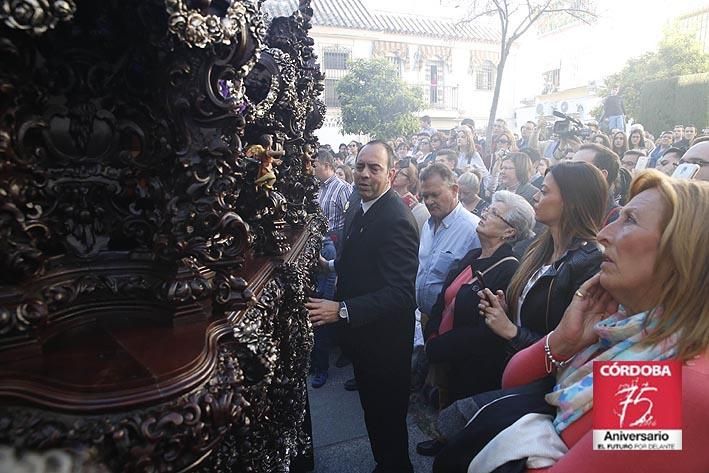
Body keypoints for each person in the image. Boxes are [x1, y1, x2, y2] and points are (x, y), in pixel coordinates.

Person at [472, 171, 709, 473]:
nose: (604, 234)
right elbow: (513, 382)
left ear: (684, 253)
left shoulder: (679, 384)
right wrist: (563, 340)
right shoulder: (624, 330)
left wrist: (528, 439)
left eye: (631, 221)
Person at [307, 140, 419, 473]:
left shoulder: (397, 219)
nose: (365, 174)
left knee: (387, 420)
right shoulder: (357, 202)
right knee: (373, 413)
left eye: (375, 168)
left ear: (392, 173)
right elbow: (356, 260)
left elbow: (401, 293)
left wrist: (341, 310)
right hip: (364, 340)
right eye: (360, 167)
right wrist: (327, 266)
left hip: (386, 346)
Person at [416, 191, 534, 457]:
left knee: (467, 423)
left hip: (474, 364)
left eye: (494, 213)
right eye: (488, 208)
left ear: (509, 233)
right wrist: (432, 332)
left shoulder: (509, 269)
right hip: (447, 352)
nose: (485, 213)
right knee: (447, 403)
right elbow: (444, 299)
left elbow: (486, 331)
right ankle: (444, 440)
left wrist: (438, 346)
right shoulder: (473, 254)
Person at [477, 162, 606, 356]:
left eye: (544, 192)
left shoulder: (590, 262)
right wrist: (509, 311)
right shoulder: (539, 247)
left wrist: (512, 331)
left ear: (571, 202)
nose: (536, 197)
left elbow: (573, 346)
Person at [416, 163, 481, 324]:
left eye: (435, 195)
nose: (429, 202)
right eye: (425, 196)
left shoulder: (473, 230)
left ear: (454, 190)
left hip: (449, 324)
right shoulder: (428, 225)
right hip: (423, 318)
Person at [310, 150, 353, 388]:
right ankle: (315, 360)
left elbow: (349, 228)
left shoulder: (343, 188)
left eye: (314, 165)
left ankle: (321, 367)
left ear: (326, 165)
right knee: (312, 303)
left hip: (331, 252)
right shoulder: (314, 188)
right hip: (315, 250)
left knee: (323, 309)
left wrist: (339, 267)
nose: (311, 168)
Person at [572, 143, 621, 224]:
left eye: (578, 167)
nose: (568, 172)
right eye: (569, 165)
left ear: (601, 175)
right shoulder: (565, 211)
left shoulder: (618, 220)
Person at [392, 160, 430, 231]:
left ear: (409, 180)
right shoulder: (389, 196)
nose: (396, 174)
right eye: (395, 170)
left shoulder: (412, 203)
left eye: (401, 173)